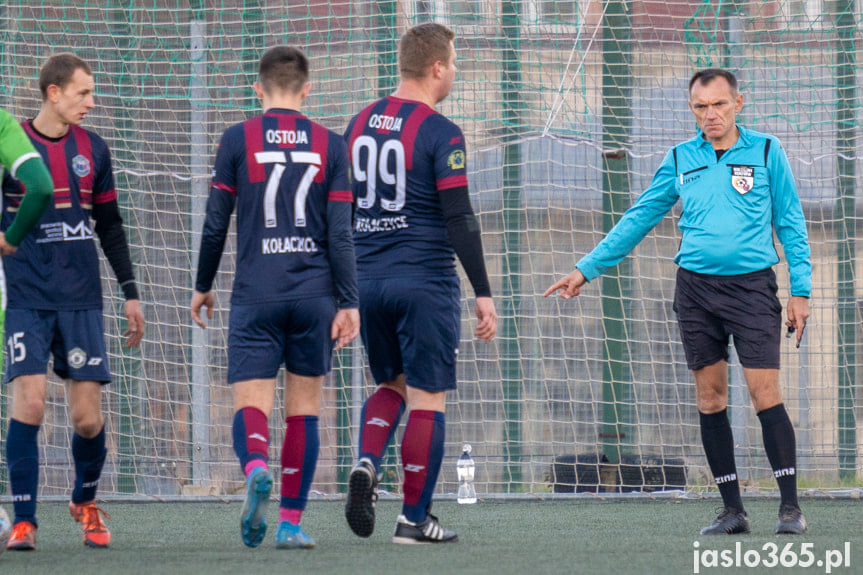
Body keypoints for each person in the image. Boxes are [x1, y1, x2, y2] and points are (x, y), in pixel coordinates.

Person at [545, 68, 811, 536]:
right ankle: (732, 511)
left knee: (763, 393)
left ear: (738, 103)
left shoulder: (768, 151)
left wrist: (801, 290)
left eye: (719, 105)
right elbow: (639, 217)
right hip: (695, 291)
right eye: (700, 107)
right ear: (692, 110)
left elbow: (790, 222)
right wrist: (586, 268)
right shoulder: (679, 158)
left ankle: (790, 508)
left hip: (752, 289)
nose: (710, 115)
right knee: (711, 398)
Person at [191, 45, 359, 550]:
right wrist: (348, 301)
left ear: (257, 88)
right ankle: (289, 523)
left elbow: (216, 221)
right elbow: (341, 233)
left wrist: (202, 285)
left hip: (256, 292)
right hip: (314, 296)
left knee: (252, 404)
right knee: (305, 409)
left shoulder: (236, 139)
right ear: (307, 90)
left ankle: (258, 466)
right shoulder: (331, 144)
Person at [343, 22, 497, 544]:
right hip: (424, 281)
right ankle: (413, 519)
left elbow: (339, 211)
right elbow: (460, 218)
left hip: (367, 282)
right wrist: (483, 291)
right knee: (429, 399)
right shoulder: (440, 131)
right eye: (452, 64)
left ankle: (367, 459)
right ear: (437, 68)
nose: (454, 72)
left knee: (391, 386)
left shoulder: (358, 123)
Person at [2, 53, 145, 551]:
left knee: (87, 418)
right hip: (25, 296)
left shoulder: (94, 150)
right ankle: (24, 521)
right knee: (32, 403)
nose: (92, 101)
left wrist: (131, 293)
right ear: (53, 92)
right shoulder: (12, 147)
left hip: (81, 298)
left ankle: (84, 501)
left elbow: (110, 227)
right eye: (83, 92)